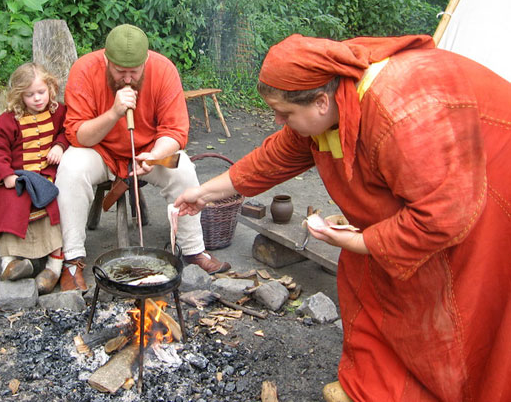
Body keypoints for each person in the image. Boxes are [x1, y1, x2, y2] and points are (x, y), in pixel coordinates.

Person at [175, 33, 511, 402]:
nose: (277, 120)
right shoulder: (333, 99)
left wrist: (362, 241)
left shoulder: (405, 114)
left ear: (321, 101)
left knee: (458, 296)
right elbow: (275, 156)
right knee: (366, 275)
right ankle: (377, 387)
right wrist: (202, 193)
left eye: (284, 113)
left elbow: (441, 217)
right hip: (437, 189)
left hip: (489, 184)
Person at [55, 24, 231, 292]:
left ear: (145, 61)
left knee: (182, 167)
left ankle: (194, 250)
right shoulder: (84, 69)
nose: (127, 79)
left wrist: (155, 155)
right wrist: (114, 113)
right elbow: (79, 135)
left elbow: (176, 131)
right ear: (106, 60)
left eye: (134, 72)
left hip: (148, 152)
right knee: (70, 166)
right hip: (99, 151)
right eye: (119, 72)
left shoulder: (163, 70)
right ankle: (72, 261)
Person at [0, 62, 69, 295]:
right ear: (19, 96)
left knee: (52, 201)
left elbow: (68, 129)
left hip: (46, 173)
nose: (37, 99)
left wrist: (60, 145)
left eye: (41, 92)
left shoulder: (58, 112)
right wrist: (7, 175)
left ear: (50, 88)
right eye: (30, 95)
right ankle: (10, 263)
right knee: (12, 201)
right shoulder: (8, 120)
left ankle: (54, 265)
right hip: (18, 175)